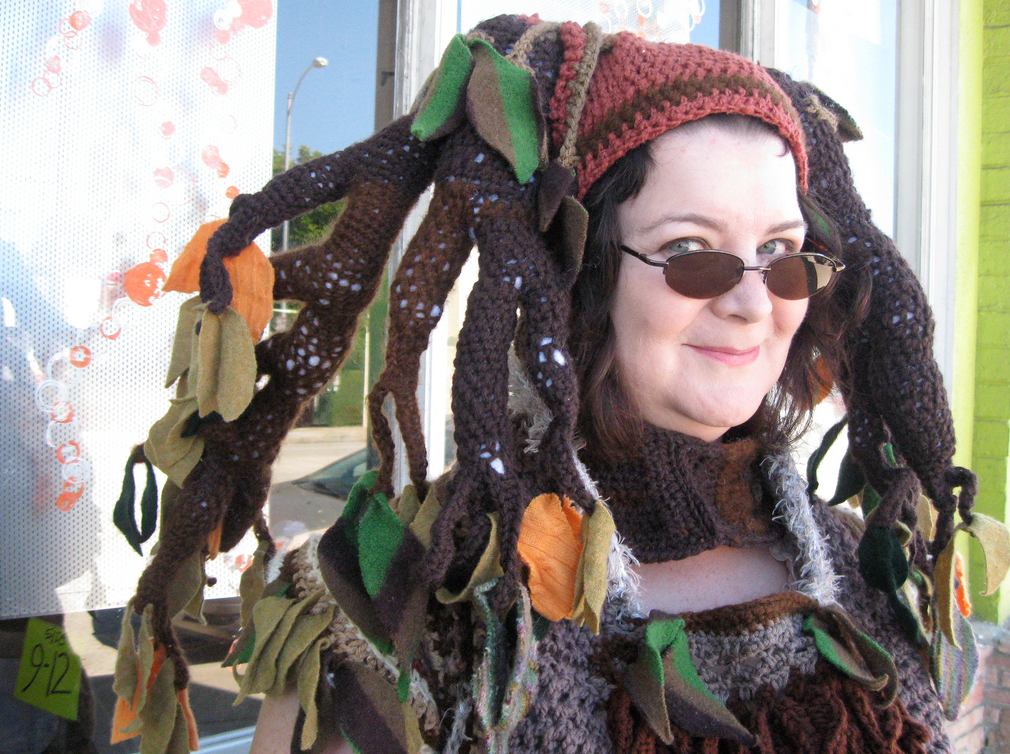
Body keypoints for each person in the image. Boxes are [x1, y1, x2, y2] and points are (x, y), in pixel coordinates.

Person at [112, 14, 995, 754]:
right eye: (691, 254)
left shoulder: (870, 572)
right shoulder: (413, 601)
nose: (752, 302)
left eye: (781, 253)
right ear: (582, 275)